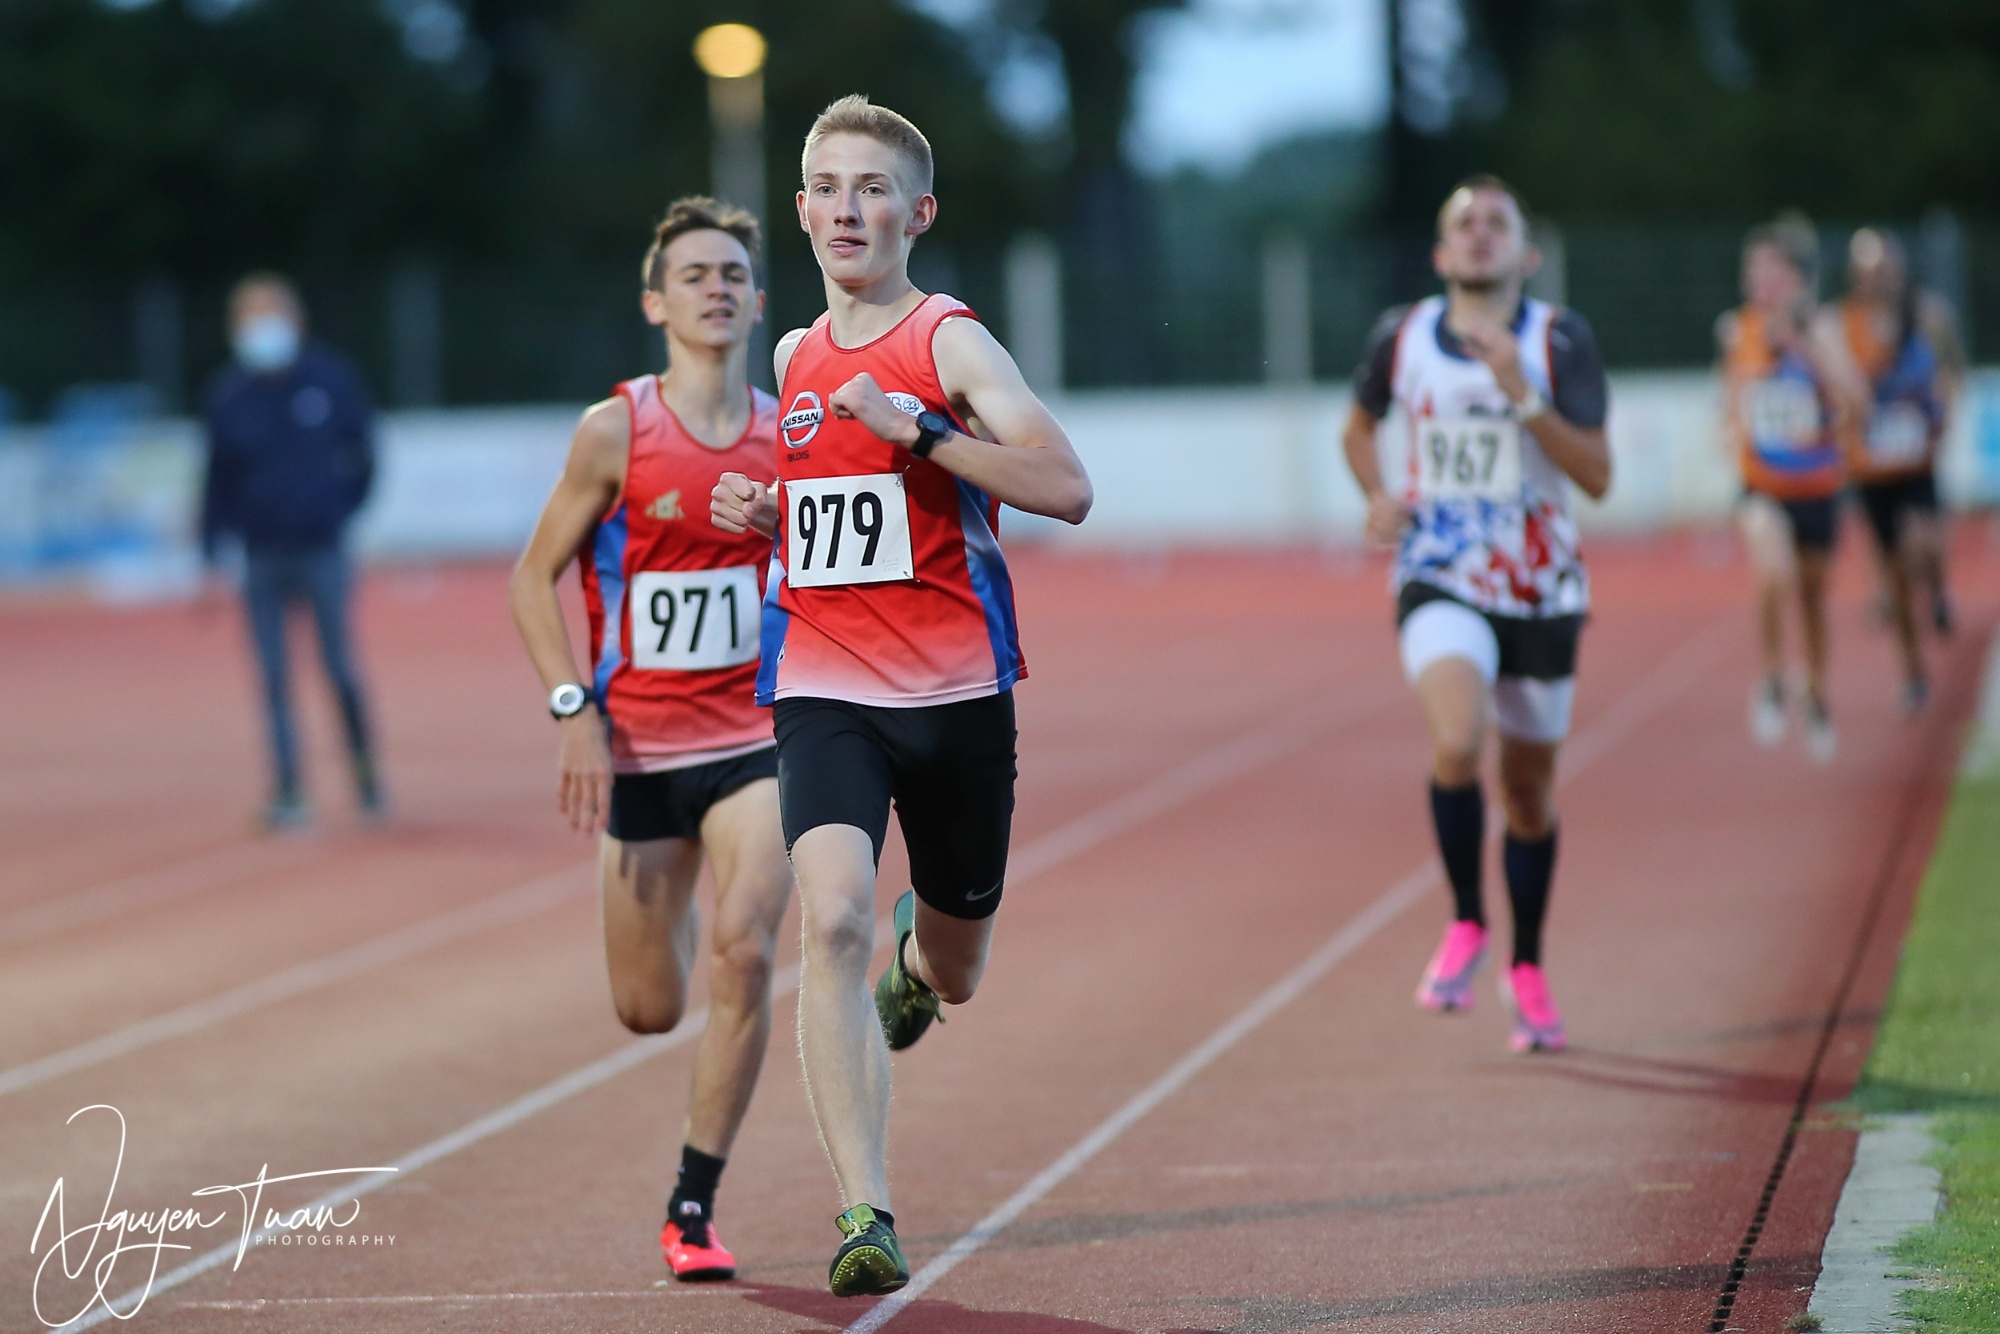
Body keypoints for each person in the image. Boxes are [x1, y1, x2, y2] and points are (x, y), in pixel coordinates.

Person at [709, 95, 1091, 1298]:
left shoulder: (950, 342)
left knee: (959, 961)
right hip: (823, 686)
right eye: (827, 187)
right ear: (800, 210)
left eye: (871, 188)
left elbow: (1066, 487)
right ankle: (863, 1210)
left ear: (916, 212)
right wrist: (773, 516)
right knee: (827, 918)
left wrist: (920, 430)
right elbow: (833, 513)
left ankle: (918, 966)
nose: (846, 209)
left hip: (956, 697)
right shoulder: (790, 357)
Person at [508, 197, 794, 1283]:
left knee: (747, 950)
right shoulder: (615, 431)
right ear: (654, 304)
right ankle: (676, 904)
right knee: (648, 1008)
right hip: (638, 747)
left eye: (733, 274)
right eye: (693, 275)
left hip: (759, 739)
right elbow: (531, 578)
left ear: (758, 304)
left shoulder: (789, 436)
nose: (716, 288)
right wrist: (572, 708)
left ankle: (692, 1202)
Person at [1341, 176, 1611, 1056]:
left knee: (1527, 794)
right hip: (1441, 570)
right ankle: (1466, 920)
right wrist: (1378, 493)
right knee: (1458, 741)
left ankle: (1526, 967)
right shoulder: (1402, 335)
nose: (1480, 234)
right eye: (1465, 222)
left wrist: (1523, 394)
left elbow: (1598, 475)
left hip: (1540, 588)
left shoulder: (1558, 339)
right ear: (1440, 253)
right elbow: (1357, 427)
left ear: (1526, 253)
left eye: (1498, 223)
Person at [200, 273, 382, 829]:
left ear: (295, 319)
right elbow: (215, 479)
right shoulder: (227, 394)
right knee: (274, 676)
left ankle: (365, 774)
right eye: (249, 316)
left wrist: (341, 509)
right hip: (261, 554)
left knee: (339, 667)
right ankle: (288, 787)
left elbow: (364, 453)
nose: (261, 327)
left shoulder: (330, 379)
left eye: (269, 313)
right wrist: (210, 548)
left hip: (322, 548)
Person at [1718, 217, 1868, 761]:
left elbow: (1857, 401)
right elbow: (1732, 396)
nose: (1761, 283)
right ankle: (1773, 677)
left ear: (1798, 279)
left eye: (1772, 271)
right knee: (1772, 571)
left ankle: (1817, 693)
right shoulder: (1738, 330)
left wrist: (1808, 348)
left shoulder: (1824, 329)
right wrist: (1730, 426)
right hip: (1762, 483)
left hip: (1817, 486)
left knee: (1812, 601)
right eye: (1754, 271)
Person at [1839, 227, 1965, 712]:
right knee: (1894, 578)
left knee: (1923, 544)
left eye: (1884, 270)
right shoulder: (1844, 324)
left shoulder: (1928, 315)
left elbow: (1951, 371)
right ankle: (1913, 672)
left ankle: (1938, 590)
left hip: (1916, 459)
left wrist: (1943, 418)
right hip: (1872, 469)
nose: (1877, 280)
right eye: (1867, 272)